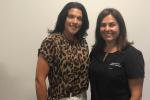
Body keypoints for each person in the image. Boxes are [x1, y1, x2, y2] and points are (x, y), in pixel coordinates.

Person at [35, 2, 89, 100]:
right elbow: (40, 79)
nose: (75, 21)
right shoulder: (51, 42)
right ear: (64, 18)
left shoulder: (83, 43)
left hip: (82, 97)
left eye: (79, 18)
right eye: (71, 16)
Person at [89, 8, 145, 100]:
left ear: (120, 27)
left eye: (112, 25)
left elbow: (136, 96)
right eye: (103, 25)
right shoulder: (95, 52)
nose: (107, 29)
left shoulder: (132, 55)